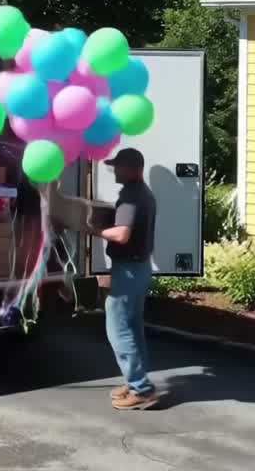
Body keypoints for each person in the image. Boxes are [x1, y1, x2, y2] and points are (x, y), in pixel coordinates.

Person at [90, 147, 157, 410]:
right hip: (139, 268)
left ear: (131, 168)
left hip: (128, 269)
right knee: (132, 326)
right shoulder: (144, 193)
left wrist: (93, 229)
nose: (114, 170)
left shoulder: (131, 196)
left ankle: (141, 388)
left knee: (117, 328)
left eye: (117, 166)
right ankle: (136, 382)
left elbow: (122, 235)